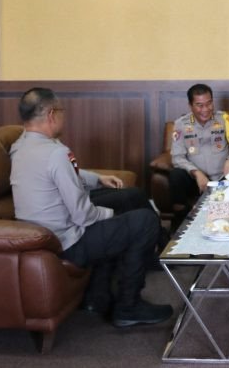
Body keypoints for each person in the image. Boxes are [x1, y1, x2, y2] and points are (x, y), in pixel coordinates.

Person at [10, 87, 172, 327]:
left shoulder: (20, 146)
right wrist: (110, 215)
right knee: (143, 221)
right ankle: (128, 306)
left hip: (46, 232)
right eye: (62, 111)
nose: (64, 116)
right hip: (68, 241)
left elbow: (62, 173)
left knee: (131, 196)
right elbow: (83, 215)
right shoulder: (56, 153)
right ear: (52, 114)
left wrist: (97, 178)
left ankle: (138, 264)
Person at [168, 83, 229, 229]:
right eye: (199, 105)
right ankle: (181, 221)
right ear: (190, 106)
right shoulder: (181, 124)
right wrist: (196, 173)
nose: (205, 109)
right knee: (176, 175)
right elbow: (177, 157)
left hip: (222, 179)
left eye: (209, 103)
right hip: (195, 182)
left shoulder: (223, 119)